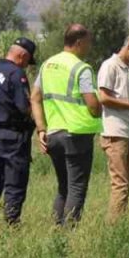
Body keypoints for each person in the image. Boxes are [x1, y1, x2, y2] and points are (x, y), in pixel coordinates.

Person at [31, 24, 102, 226]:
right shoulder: (82, 68)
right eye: (88, 42)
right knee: (77, 187)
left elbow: (34, 98)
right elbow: (92, 104)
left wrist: (41, 129)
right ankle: (68, 233)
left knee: (63, 187)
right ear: (79, 42)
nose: (90, 46)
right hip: (76, 135)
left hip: (53, 134)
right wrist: (99, 109)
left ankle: (57, 231)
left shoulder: (47, 65)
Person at [0, 37, 37, 224]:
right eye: (28, 61)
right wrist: (37, 117)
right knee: (16, 176)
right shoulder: (16, 74)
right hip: (13, 135)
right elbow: (24, 107)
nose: (27, 66)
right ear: (22, 55)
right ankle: (12, 221)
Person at [96, 32, 129, 221]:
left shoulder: (125, 68)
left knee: (126, 184)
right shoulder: (110, 66)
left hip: (126, 132)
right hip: (114, 132)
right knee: (120, 184)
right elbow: (103, 98)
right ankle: (114, 227)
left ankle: (120, 221)